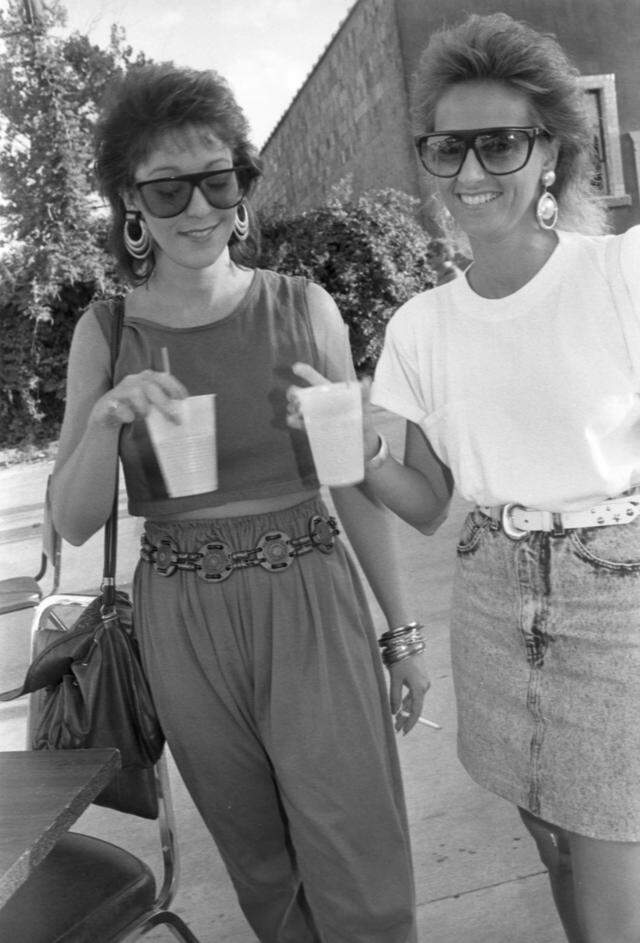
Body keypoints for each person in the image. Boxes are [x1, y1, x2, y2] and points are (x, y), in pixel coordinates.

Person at [50, 62, 427, 943]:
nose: (195, 209)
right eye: (167, 188)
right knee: (259, 858)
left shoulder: (306, 309)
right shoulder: (106, 331)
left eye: (217, 181)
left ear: (242, 187)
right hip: (182, 613)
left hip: (308, 592)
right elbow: (72, 519)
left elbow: (353, 486)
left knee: (358, 841)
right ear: (130, 203)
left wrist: (401, 632)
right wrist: (106, 417)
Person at [292, 12, 640, 943]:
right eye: (450, 148)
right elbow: (431, 500)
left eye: (502, 143)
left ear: (552, 154)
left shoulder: (619, 275)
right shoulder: (420, 327)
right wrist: (359, 455)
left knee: (611, 848)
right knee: (552, 837)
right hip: (492, 594)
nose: (473, 172)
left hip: (615, 596)